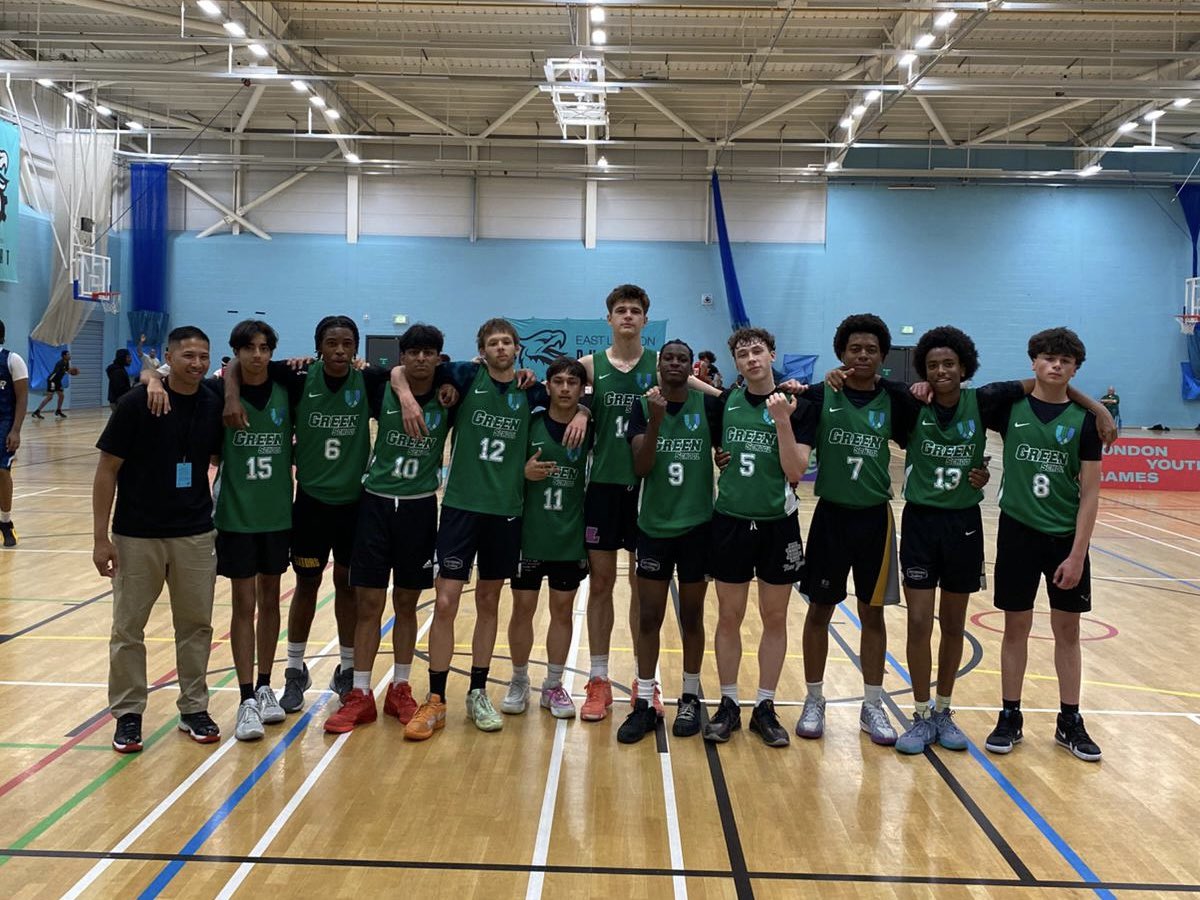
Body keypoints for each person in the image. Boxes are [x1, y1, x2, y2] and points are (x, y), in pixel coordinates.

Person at [394, 318, 586, 740]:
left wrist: (586, 411)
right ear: (482, 350)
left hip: (506, 512)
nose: (501, 348)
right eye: (493, 342)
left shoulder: (532, 391)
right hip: (462, 507)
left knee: (488, 601)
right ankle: (437, 698)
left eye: (507, 342)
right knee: (445, 602)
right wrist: (408, 397)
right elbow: (398, 370)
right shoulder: (462, 376)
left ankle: (478, 691)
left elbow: (570, 400)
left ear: (518, 349)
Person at [223, 315, 390, 712]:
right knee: (307, 586)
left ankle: (347, 670)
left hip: (354, 504)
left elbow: (405, 374)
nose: (339, 351)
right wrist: (230, 395)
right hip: (311, 503)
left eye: (347, 344)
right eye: (331, 343)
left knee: (349, 586)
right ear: (318, 346)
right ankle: (294, 671)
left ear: (356, 348)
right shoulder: (297, 378)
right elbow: (234, 363)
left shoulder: (368, 380)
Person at [573, 285, 720, 723]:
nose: (628, 316)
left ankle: (646, 685)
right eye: (620, 310)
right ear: (609, 319)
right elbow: (559, 395)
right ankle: (599, 680)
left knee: (644, 589)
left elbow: (720, 398)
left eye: (636, 311)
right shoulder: (589, 367)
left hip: (647, 491)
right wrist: (581, 409)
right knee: (600, 585)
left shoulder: (662, 366)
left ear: (645, 319)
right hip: (602, 486)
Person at [93, 326, 225, 753]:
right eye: (187, 355)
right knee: (128, 628)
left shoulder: (212, 402)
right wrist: (100, 537)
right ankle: (128, 715)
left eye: (203, 355)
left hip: (194, 534)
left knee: (196, 626)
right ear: (169, 355)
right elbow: (107, 469)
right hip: (136, 535)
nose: (197, 362)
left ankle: (193, 708)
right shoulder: (137, 403)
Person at [323, 324, 456, 734]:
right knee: (368, 605)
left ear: (438, 357)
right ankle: (360, 692)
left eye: (428, 352)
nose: (420, 358)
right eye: (412, 352)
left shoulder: (453, 392)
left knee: (406, 603)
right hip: (377, 504)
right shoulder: (379, 384)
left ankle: (400, 686)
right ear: (401, 356)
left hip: (418, 509)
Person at [795, 314, 919, 747]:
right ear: (841, 354)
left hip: (874, 519)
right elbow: (774, 403)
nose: (862, 355)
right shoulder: (820, 394)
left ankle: (872, 703)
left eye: (870, 349)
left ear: (883, 356)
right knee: (819, 610)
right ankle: (814, 699)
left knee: (873, 613)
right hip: (830, 517)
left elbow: (934, 425)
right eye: (854, 349)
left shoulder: (897, 399)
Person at [983, 327, 1104, 762]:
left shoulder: (1085, 421)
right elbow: (976, 395)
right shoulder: (1010, 408)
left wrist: (1077, 554)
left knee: (1067, 631)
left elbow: (1090, 492)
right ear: (1033, 362)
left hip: (1064, 540)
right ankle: (1010, 715)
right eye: (1048, 358)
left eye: (1065, 361)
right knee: (1015, 628)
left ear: (1074, 369)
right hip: (1017, 532)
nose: (1056, 365)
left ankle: (1069, 719)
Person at [704, 327, 813, 748]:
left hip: (777, 523)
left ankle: (765, 706)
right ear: (735, 364)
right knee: (729, 617)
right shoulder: (724, 404)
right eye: (743, 353)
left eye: (758, 351)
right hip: (730, 520)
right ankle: (729, 702)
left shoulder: (797, 406)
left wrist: (783, 421)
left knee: (774, 617)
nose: (752, 359)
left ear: (772, 355)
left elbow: (795, 472)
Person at [618, 340, 718, 745]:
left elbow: (741, 412)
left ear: (689, 367)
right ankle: (643, 701)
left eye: (681, 359)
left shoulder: (708, 407)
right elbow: (642, 466)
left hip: (698, 527)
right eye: (668, 358)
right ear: (658, 366)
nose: (674, 364)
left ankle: (690, 696)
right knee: (649, 618)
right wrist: (656, 419)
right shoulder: (642, 407)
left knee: (692, 617)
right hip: (654, 528)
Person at [211, 321, 292, 742]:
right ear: (237, 352)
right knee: (243, 604)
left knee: (270, 599)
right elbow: (157, 375)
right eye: (249, 348)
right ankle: (244, 698)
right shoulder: (218, 394)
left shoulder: (286, 388)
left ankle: (265, 686)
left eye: (264, 348)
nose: (257, 355)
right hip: (237, 517)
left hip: (277, 515)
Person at [503, 356, 594, 721]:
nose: (566, 389)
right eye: (559, 382)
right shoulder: (531, 423)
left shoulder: (589, 427)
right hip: (530, 534)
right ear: (548, 385)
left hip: (568, 536)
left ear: (582, 389)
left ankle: (554, 684)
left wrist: (586, 413)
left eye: (573, 383)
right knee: (522, 610)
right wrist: (522, 471)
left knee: (562, 611)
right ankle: (519, 679)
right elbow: (505, 468)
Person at [0, 320, 29, 548]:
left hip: (4, 422)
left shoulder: (12, 360)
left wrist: (16, 430)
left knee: (2, 472)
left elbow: (22, 397)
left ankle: (5, 521)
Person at [32, 350, 71, 419]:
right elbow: (58, 372)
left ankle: (58, 410)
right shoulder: (60, 363)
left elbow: (67, 370)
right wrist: (68, 372)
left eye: (69, 354)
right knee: (50, 397)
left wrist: (71, 371)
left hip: (58, 381)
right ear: (64, 356)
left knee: (61, 396)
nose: (69, 356)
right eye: (68, 354)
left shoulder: (67, 362)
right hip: (52, 380)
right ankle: (37, 411)